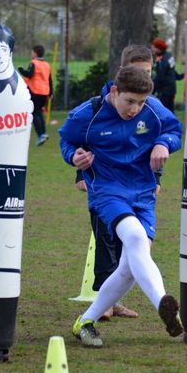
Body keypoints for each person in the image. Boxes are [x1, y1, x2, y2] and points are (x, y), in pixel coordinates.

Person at [60, 66, 183, 347]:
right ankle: (163, 304)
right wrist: (74, 157)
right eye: (129, 101)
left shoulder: (152, 109)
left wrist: (164, 143)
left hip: (144, 195)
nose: (135, 109)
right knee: (136, 238)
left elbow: (174, 131)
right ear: (115, 91)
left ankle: (85, 322)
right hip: (107, 192)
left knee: (130, 265)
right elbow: (66, 140)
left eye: (141, 102)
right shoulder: (88, 114)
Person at [74, 45, 156, 321]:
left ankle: (114, 300)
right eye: (140, 71)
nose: (145, 77)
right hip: (105, 187)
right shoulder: (103, 104)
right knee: (105, 240)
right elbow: (83, 138)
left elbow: (151, 144)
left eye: (149, 72)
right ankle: (103, 301)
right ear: (123, 71)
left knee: (128, 244)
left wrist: (156, 178)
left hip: (135, 188)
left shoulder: (147, 107)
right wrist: (80, 174)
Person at [18, 44, 53, 147]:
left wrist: (21, 70)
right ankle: (44, 133)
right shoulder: (46, 64)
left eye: (32, 52)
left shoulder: (34, 63)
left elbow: (29, 74)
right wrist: (51, 93)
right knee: (39, 112)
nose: (31, 53)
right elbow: (49, 79)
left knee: (34, 113)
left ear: (35, 53)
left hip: (35, 91)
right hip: (45, 92)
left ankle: (40, 135)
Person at [151, 38, 177, 112]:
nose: (152, 49)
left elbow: (160, 77)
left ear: (159, 48)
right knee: (170, 110)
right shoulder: (169, 56)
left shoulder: (162, 60)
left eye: (154, 47)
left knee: (161, 110)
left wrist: (152, 89)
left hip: (164, 90)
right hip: (171, 89)